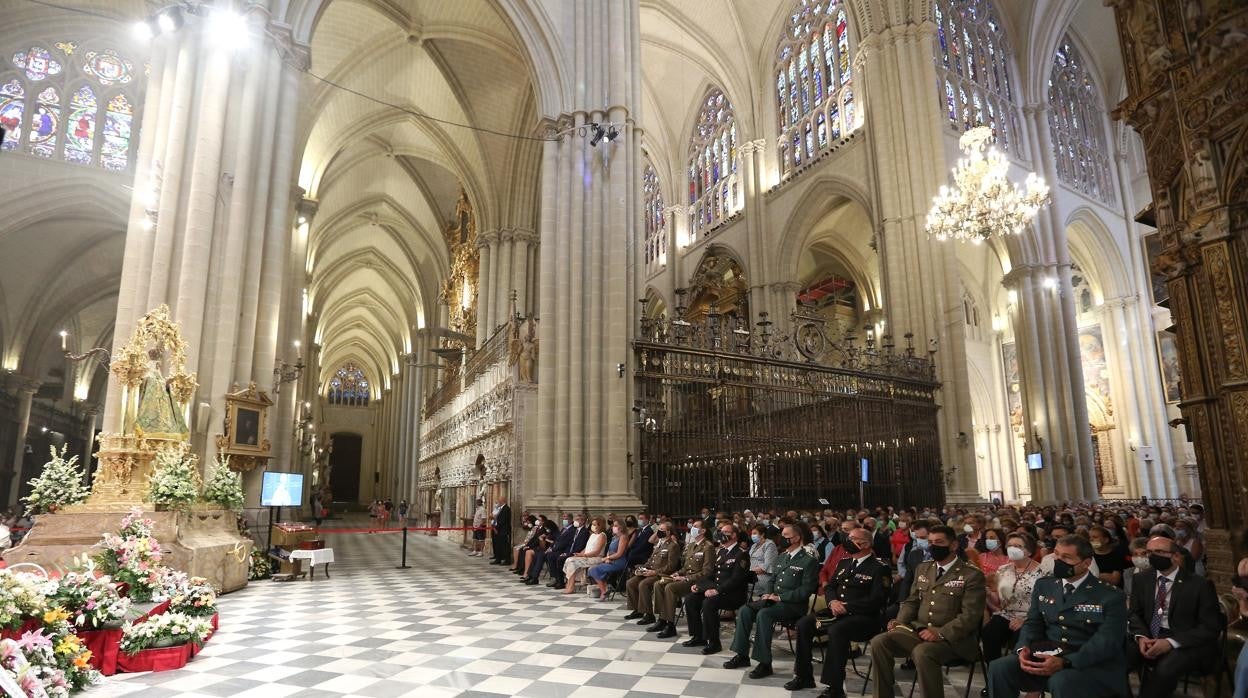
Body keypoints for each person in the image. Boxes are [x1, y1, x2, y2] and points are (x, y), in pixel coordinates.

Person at [985, 535, 1128, 698]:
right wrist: (1023, 649)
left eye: (1066, 557)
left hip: (1088, 663)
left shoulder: (1110, 596)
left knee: (1062, 680)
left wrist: (1066, 662)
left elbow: (1107, 641)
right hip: (1048, 654)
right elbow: (1033, 623)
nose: (1058, 561)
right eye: (1057, 554)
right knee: (999, 667)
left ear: (1086, 563)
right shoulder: (1045, 585)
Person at [868, 525, 985, 698]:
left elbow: (971, 616)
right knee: (879, 641)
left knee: (923, 652)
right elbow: (912, 601)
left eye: (939, 542)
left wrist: (940, 633)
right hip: (919, 632)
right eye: (930, 542)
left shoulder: (971, 574)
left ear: (953, 545)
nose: (933, 546)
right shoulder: (924, 568)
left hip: (954, 640)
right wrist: (900, 622)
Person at [789, 526, 889, 696]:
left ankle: (834, 687)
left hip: (863, 618)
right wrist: (832, 602)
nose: (847, 542)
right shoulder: (844, 563)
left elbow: (877, 600)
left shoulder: (879, 568)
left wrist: (846, 607)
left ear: (865, 544)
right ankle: (804, 675)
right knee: (804, 624)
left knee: (837, 630)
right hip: (836, 612)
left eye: (852, 539)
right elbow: (830, 587)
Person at [1126, 535, 1224, 698]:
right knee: (1115, 660)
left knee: (1164, 670)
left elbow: (1210, 627)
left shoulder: (1199, 585)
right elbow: (1135, 613)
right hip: (1148, 634)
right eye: (1148, 552)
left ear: (1176, 557)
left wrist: (1170, 643)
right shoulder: (1141, 578)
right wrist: (1141, 636)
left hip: (1184, 638)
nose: (1152, 556)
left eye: (1159, 551)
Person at [723, 523, 819, 679]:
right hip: (773, 599)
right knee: (745, 610)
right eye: (782, 536)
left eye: (786, 536)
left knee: (764, 615)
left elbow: (806, 590)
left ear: (797, 538)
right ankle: (742, 655)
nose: (782, 539)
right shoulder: (782, 557)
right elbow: (771, 580)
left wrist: (780, 597)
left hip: (793, 605)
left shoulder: (808, 560)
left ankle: (764, 663)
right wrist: (767, 594)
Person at [681, 522, 749, 653]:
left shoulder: (741, 554)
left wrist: (717, 590)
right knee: (691, 599)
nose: (721, 535)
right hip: (717, 590)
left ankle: (714, 642)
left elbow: (736, 580)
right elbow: (712, 573)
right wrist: (699, 586)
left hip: (733, 594)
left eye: (725, 533)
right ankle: (698, 636)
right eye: (720, 532)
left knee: (709, 603)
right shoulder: (722, 551)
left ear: (734, 535)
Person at [648, 519, 714, 638]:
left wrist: (686, 578)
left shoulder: (708, 546)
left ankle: (670, 625)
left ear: (703, 530)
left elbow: (707, 571)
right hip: (685, 577)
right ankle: (662, 619)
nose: (692, 528)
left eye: (695, 526)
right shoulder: (692, 545)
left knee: (670, 587)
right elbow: (685, 567)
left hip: (696, 581)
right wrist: (677, 574)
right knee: (659, 584)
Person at [981, 531, 1040, 661]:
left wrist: (1026, 620)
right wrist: (989, 593)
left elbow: (1044, 605)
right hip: (1006, 614)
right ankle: (994, 670)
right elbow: (999, 601)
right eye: (1010, 545)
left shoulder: (1042, 572)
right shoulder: (1003, 569)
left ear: (1029, 551)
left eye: (1018, 546)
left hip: (1030, 617)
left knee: (1020, 638)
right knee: (989, 633)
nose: (1013, 549)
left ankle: (1014, 673)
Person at [624, 520, 682, 626]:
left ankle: (649, 614)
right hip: (650, 571)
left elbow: (671, 566)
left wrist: (654, 572)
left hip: (662, 574)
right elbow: (651, 560)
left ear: (668, 532)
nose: (659, 532)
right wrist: (642, 568)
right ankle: (638, 610)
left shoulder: (673, 546)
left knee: (643, 584)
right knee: (631, 582)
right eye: (659, 529)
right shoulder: (659, 543)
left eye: (662, 530)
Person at [588, 518, 634, 600]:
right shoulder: (614, 537)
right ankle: (606, 589)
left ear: (621, 527)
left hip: (619, 562)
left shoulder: (623, 537)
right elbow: (610, 551)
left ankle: (604, 591)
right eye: (613, 525)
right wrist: (608, 558)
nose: (614, 527)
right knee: (592, 569)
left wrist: (608, 557)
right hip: (611, 560)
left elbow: (619, 553)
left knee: (593, 570)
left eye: (616, 526)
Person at [562, 516, 607, 593]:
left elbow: (596, 551)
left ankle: (571, 586)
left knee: (572, 562)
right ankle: (569, 584)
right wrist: (579, 554)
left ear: (600, 525)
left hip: (596, 558)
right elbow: (586, 548)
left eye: (595, 524)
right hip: (587, 556)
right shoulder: (592, 535)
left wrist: (583, 555)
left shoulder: (602, 535)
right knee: (569, 559)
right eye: (592, 524)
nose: (593, 526)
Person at [548, 513, 591, 587]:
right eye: (575, 519)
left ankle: (561, 582)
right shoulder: (576, 530)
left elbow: (580, 546)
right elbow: (570, 543)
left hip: (576, 552)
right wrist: (565, 552)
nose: (575, 521)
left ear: (583, 521)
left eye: (577, 520)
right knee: (552, 555)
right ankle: (556, 579)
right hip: (568, 550)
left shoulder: (585, 532)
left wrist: (568, 554)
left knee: (560, 559)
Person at [747, 523, 778, 596]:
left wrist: (748, 572)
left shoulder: (769, 544)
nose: (752, 536)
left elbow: (768, 565)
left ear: (762, 534)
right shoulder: (754, 545)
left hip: (763, 577)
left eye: (755, 533)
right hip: (752, 575)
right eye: (752, 534)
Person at [490, 496, 512, 565]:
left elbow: (503, 520)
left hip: (503, 530)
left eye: (499, 501)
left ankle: (507, 560)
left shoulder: (506, 509)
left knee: (505, 546)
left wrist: (496, 528)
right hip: (499, 530)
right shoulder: (500, 508)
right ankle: (498, 558)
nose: (498, 502)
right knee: (498, 545)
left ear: (502, 501)